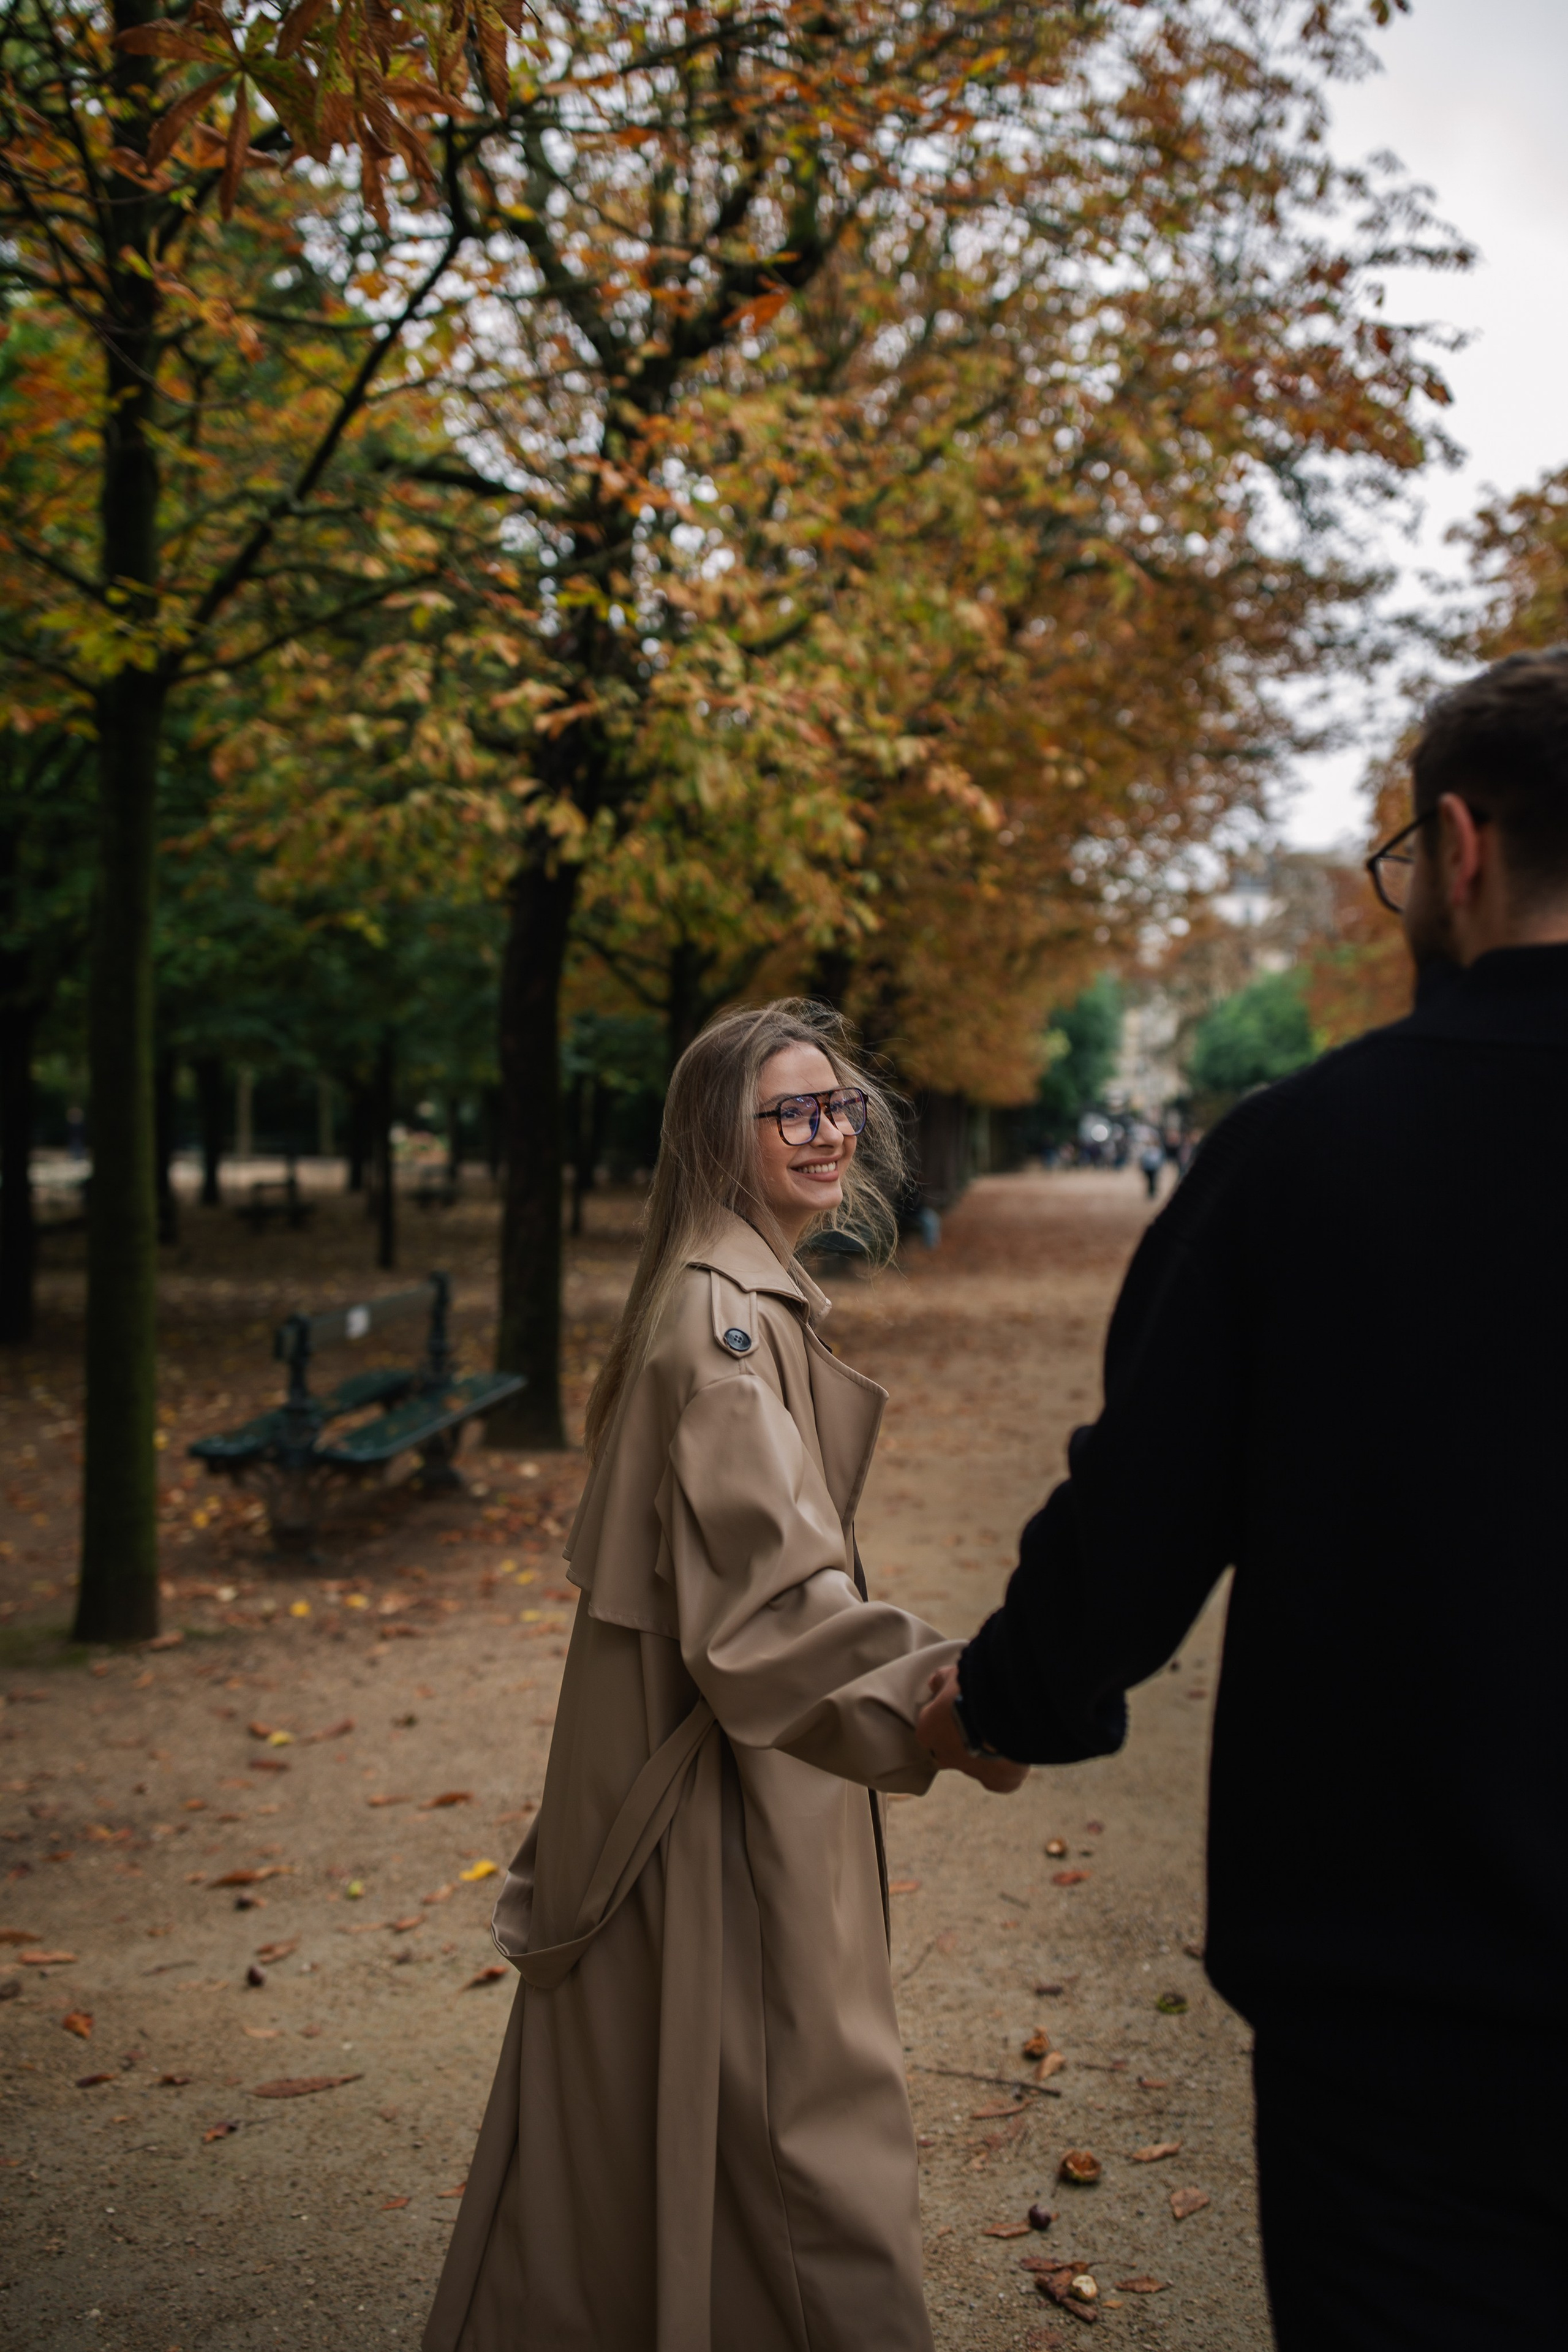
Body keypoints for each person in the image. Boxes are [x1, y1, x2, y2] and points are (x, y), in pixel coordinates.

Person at [917, 647, 1568, 2350]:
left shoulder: (1303, 1156)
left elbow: (1142, 1510)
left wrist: (1004, 1696)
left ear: (1460, 847)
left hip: (1406, 1998)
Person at [426, 1000, 1019, 2352]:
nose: (825, 1132)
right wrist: (947, 1700)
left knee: (672, 2129)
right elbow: (770, 1621)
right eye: (791, 1112)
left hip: (706, 1791)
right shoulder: (722, 1328)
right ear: (718, 1137)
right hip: (717, 1811)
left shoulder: (731, 1295)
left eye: (837, 1107)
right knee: (806, 2148)